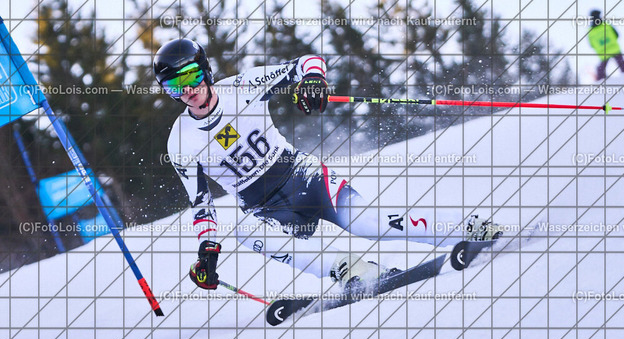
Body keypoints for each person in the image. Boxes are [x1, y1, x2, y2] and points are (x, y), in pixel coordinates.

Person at [153, 39, 502, 291]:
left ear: (206, 71)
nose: (187, 91)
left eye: (191, 77)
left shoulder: (244, 86)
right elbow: (201, 204)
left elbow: (308, 62)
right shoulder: (180, 142)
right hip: (266, 209)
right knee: (245, 231)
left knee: (367, 222)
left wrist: (313, 79)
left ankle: (468, 228)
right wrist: (207, 250)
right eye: (174, 86)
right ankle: (351, 270)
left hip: (303, 178)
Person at [588, 10, 624, 80]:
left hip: (603, 53)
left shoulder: (590, 31)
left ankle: (601, 82)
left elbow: (591, 45)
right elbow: (617, 35)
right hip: (614, 49)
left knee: (600, 72)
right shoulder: (607, 25)